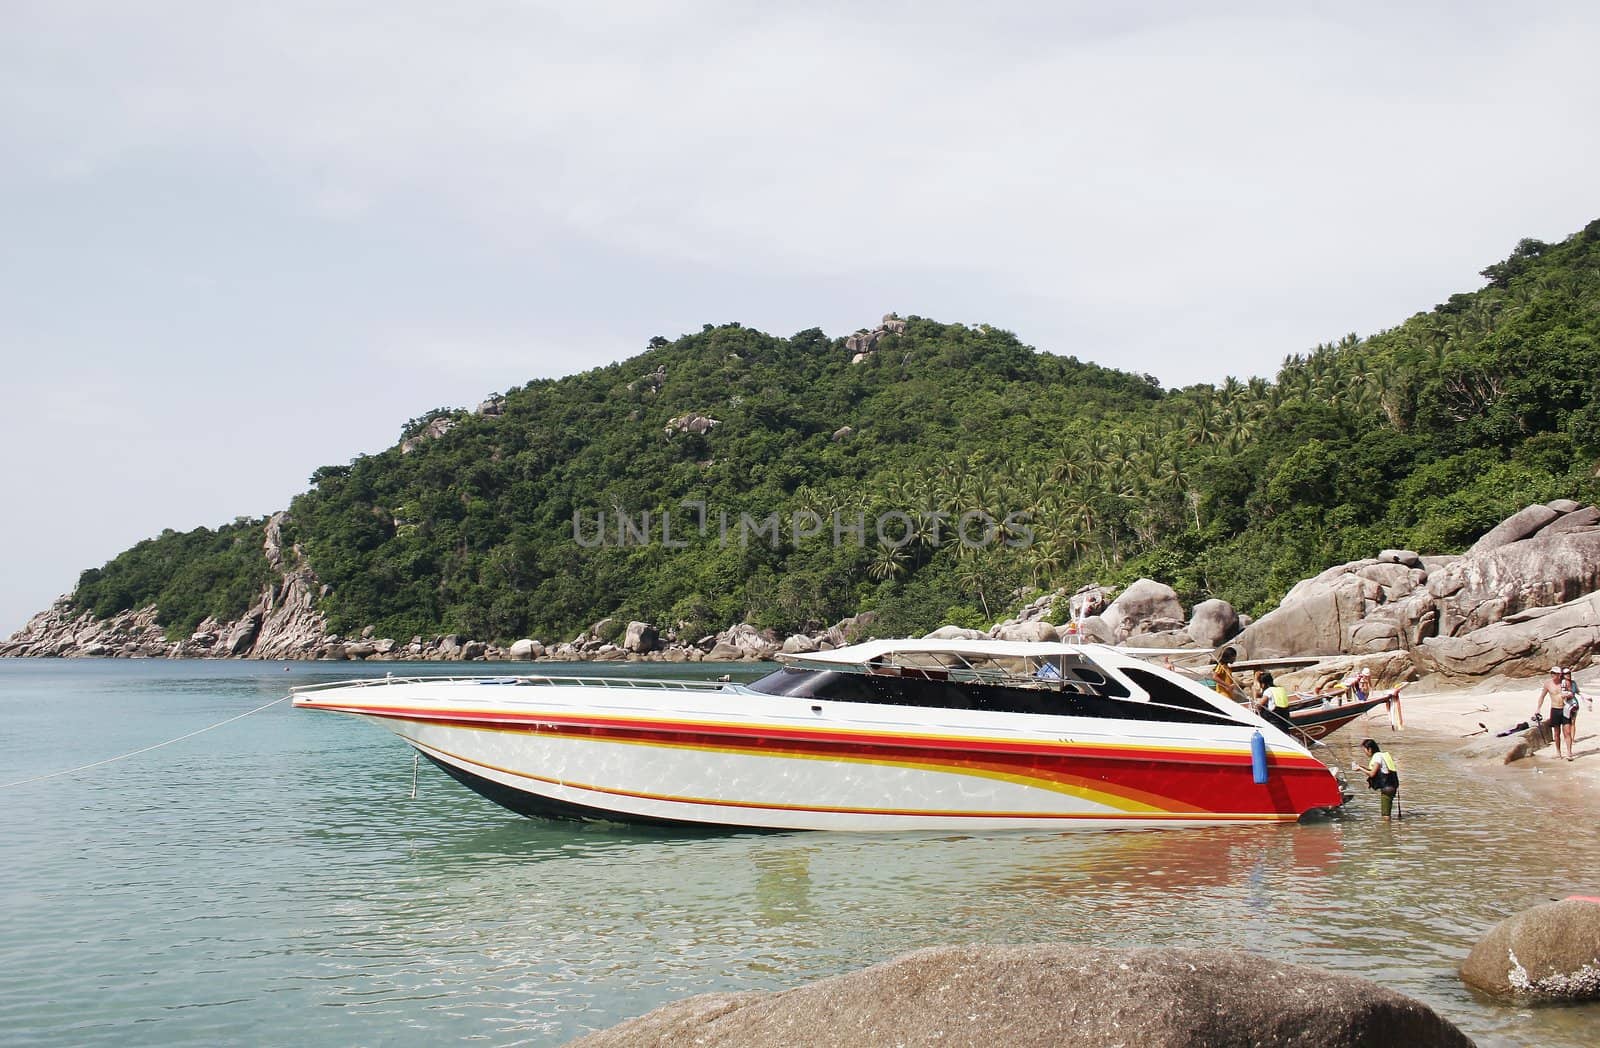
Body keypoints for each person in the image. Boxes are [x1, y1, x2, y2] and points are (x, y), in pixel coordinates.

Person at [1533, 666, 1571, 760]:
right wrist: (1538, 708)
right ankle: (1558, 753)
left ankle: (1569, 753)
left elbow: (1572, 693)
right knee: (1557, 733)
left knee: (1567, 732)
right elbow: (1542, 696)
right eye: (1552, 673)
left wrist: (1568, 694)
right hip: (1555, 709)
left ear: (1559, 674)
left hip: (1565, 708)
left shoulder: (1565, 682)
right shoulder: (1548, 684)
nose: (1553, 675)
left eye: (1555, 673)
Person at [1361, 738, 1400, 818]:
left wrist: (1360, 769)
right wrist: (1363, 767)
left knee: (1385, 815)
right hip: (1392, 786)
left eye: (1365, 750)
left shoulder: (1377, 757)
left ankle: (1387, 828)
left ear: (1370, 749)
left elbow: (1372, 774)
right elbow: (1380, 770)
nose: (1365, 753)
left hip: (1387, 788)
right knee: (1387, 812)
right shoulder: (1381, 755)